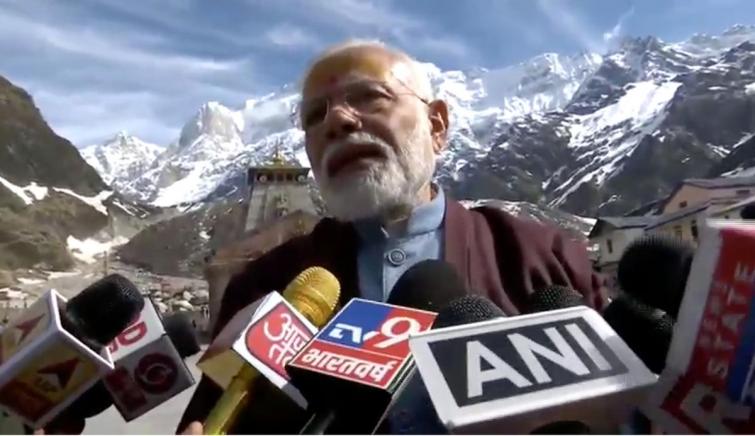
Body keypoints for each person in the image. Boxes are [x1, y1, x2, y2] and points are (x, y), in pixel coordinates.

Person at [178, 39, 608, 434]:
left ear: (437, 126)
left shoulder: (543, 258)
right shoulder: (266, 285)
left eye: (369, 97)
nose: (338, 122)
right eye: (315, 116)